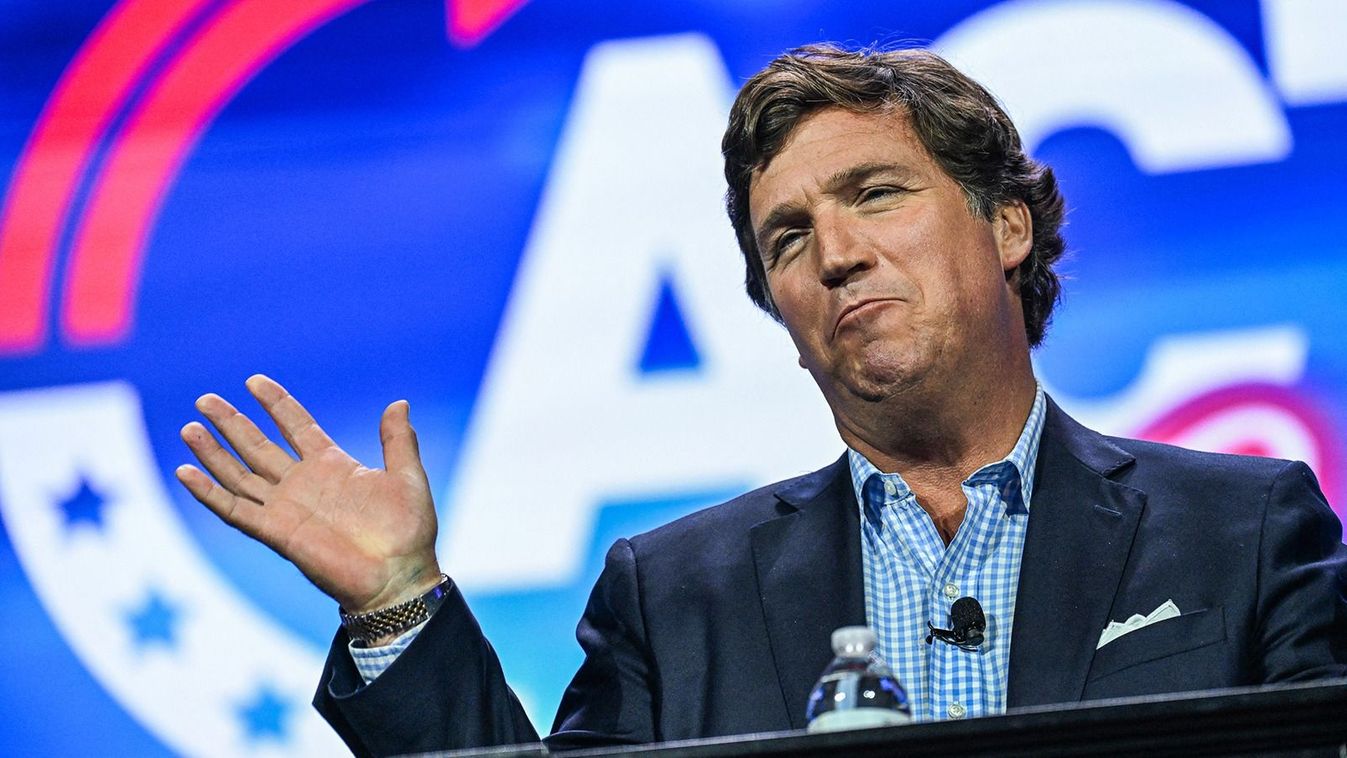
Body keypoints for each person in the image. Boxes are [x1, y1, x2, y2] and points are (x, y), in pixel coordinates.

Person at [176, 44, 1347, 756]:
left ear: (1006, 223)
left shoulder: (1242, 530)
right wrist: (397, 602)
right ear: (779, 312)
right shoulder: (679, 593)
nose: (834, 253)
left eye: (876, 193)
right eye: (788, 237)